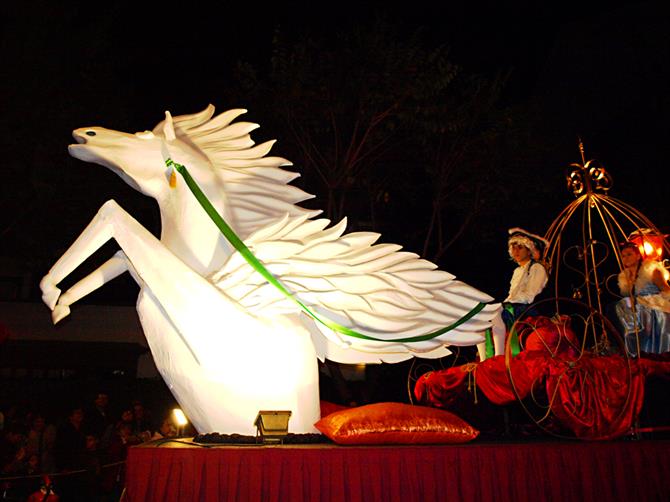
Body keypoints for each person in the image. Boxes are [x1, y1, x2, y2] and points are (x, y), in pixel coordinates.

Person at [478, 227, 549, 361]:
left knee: (495, 312)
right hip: (513, 305)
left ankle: (499, 356)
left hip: (528, 308)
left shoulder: (537, 268)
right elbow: (512, 294)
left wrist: (506, 304)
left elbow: (530, 295)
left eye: (520, 247)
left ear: (529, 250)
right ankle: (483, 359)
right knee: (480, 315)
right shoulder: (517, 271)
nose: (516, 251)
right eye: (513, 248)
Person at [614, 241, 670, 356]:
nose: (626, 258)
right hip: (638, 307)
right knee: (620, 306)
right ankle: (629, 348)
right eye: (623, 256)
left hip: (655, 305)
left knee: (642, 312)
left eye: (629, 254)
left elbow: (666, 289)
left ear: (638, 256)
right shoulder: (625, 277)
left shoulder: (650, 270)